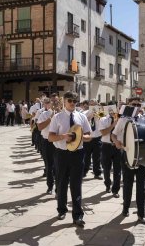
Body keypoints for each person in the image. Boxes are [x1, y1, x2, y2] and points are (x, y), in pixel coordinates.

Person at [48, 91, 92, 227]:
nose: (72, 103)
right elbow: (50, 137)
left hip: (77, 154)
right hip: (61, 153)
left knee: (76, 185)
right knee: (61, 183)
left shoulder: (81, 117)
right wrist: (63, 137)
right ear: (64, 102)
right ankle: (61, 209)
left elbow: (89, 135)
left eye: (74, 101)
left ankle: (77, 215)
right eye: (70, 101)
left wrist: (80, 138)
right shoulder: (57, 117)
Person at [111, 97, 145, 224]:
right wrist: (116, 142)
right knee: (127, 183)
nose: (137, 106)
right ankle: (125, 208)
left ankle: (141, 214)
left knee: (141, 185)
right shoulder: (123, 120)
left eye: (139, 104)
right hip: (127, 154)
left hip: (142, 156)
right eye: (134, 104)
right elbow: (114, 134)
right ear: (129, 106)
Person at [99, 104, 120, 197]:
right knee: (106, 168)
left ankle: (115, 189)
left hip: (117, 146)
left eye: (114, 109)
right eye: (110, 109)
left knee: (117, 169)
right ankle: (108, 184)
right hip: (106, 146)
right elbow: (103, 133)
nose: (112, 111)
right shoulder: (103, 119)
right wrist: (113, 125)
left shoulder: (121, 119)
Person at [81, 100, 103, 179]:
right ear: (89, 105)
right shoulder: (84, 112)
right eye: (91, 104)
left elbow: (103, 118)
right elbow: (83, 121)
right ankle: (84, 171)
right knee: (86, 156)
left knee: (97, 157)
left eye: (95, 104)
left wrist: (98, 112)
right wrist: (90, 116)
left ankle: (97, 173)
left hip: (97, 137)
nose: (93, 106)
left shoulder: (100, 112)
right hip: (88, 137)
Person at [38, 98, 55, 194]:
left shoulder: (62, 114)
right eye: (53, 102)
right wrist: (50, 118)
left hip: (59, 141)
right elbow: (40, 127)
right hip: (47, 141)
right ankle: (50, 186)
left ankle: (59, 188)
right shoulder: (44, 114)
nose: (54, 104)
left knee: (59, 166)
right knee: (49, 165)